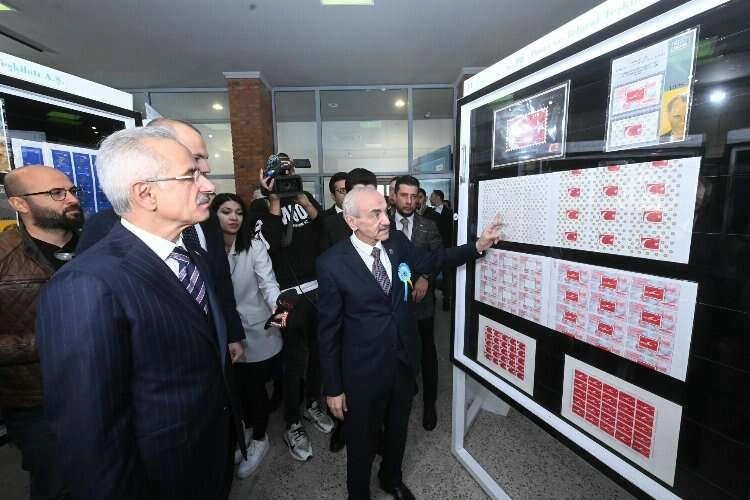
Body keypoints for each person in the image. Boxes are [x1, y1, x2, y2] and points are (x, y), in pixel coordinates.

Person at [36, 127, 244, 499]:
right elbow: (89, 435)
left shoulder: (190, 257)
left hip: (207, 455)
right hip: (156, 479)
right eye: (190, 176)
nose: (208, 186)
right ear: (145, 193)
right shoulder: (87, 283)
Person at [317, 186, 502, 500]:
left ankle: (391, 478)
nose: (386, 220)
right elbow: (328, 331)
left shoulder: (396, 243)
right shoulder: (331, 263)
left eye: (384, 210)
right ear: (352, 221)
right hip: (362, 372)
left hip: (402, 361)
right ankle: (358, 493)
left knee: (398, 427)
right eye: (375, 214)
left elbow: (434, 259)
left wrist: (478, 245)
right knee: (361, 440)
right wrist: (333, 387)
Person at [75, 118, 246, 369]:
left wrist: (230, 333)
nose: (207, 173)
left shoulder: (202, 230)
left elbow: (220, 282)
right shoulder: (89, 267)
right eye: (193, 165)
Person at [0, 165, 82, 499]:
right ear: (19, 204)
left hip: (109, 387)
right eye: (56, 193)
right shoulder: (4, 256)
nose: (71, 199)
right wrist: (47, 342)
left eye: (72, 190)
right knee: (59, 485)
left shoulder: (100, 244)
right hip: (37, 403)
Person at [256, 158, 334, 462]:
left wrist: (303, 199)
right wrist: (274, 200)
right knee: (292, 361)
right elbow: (272, 245)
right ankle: (291, 422)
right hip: (285, 298)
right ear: (268, 176)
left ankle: (313, 403)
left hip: (317, 291)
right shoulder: (260, 207)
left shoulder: (305, 198)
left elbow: (325, 229)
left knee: (319, 354)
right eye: (280, 174)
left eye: (289, 173)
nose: (286, 178)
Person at [212, 193, 285, 479]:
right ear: (213, 215)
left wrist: (278, 307)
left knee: (255, 389)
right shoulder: (207, 248)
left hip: (255, 329)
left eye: (239, 212)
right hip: (221, 332)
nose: (233, 217)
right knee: (235, 389)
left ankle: (260, 438)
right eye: (226, 211)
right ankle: (244, 432)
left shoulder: (254, 246)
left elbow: (268, 283)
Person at [392, 176, 442, 431]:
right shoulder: (382, 223)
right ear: (394, 196)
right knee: (397, 351)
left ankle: (430, 403)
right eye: (404, 195)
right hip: (393, 305)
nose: (409, 201)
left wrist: (425, 277)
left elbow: (437, 256)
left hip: (422, 304)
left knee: (427, 352)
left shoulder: (428, 226)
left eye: (413, 196)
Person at [430, 189, 454, 311]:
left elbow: (451, 231)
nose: (430, 199)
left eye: (432, 196)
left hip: (446, 249)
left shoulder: (450, 213)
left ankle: (446, 300)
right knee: (431, 275)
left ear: (438, 197)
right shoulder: (430, 213)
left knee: (447, 276)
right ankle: (432, 299)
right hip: (433, 250)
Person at [320, 171, 349, 252]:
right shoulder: (323, 219)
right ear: (333, 196)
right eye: (342, 190)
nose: (347, 194)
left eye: (349, 189)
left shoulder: (362, 215)